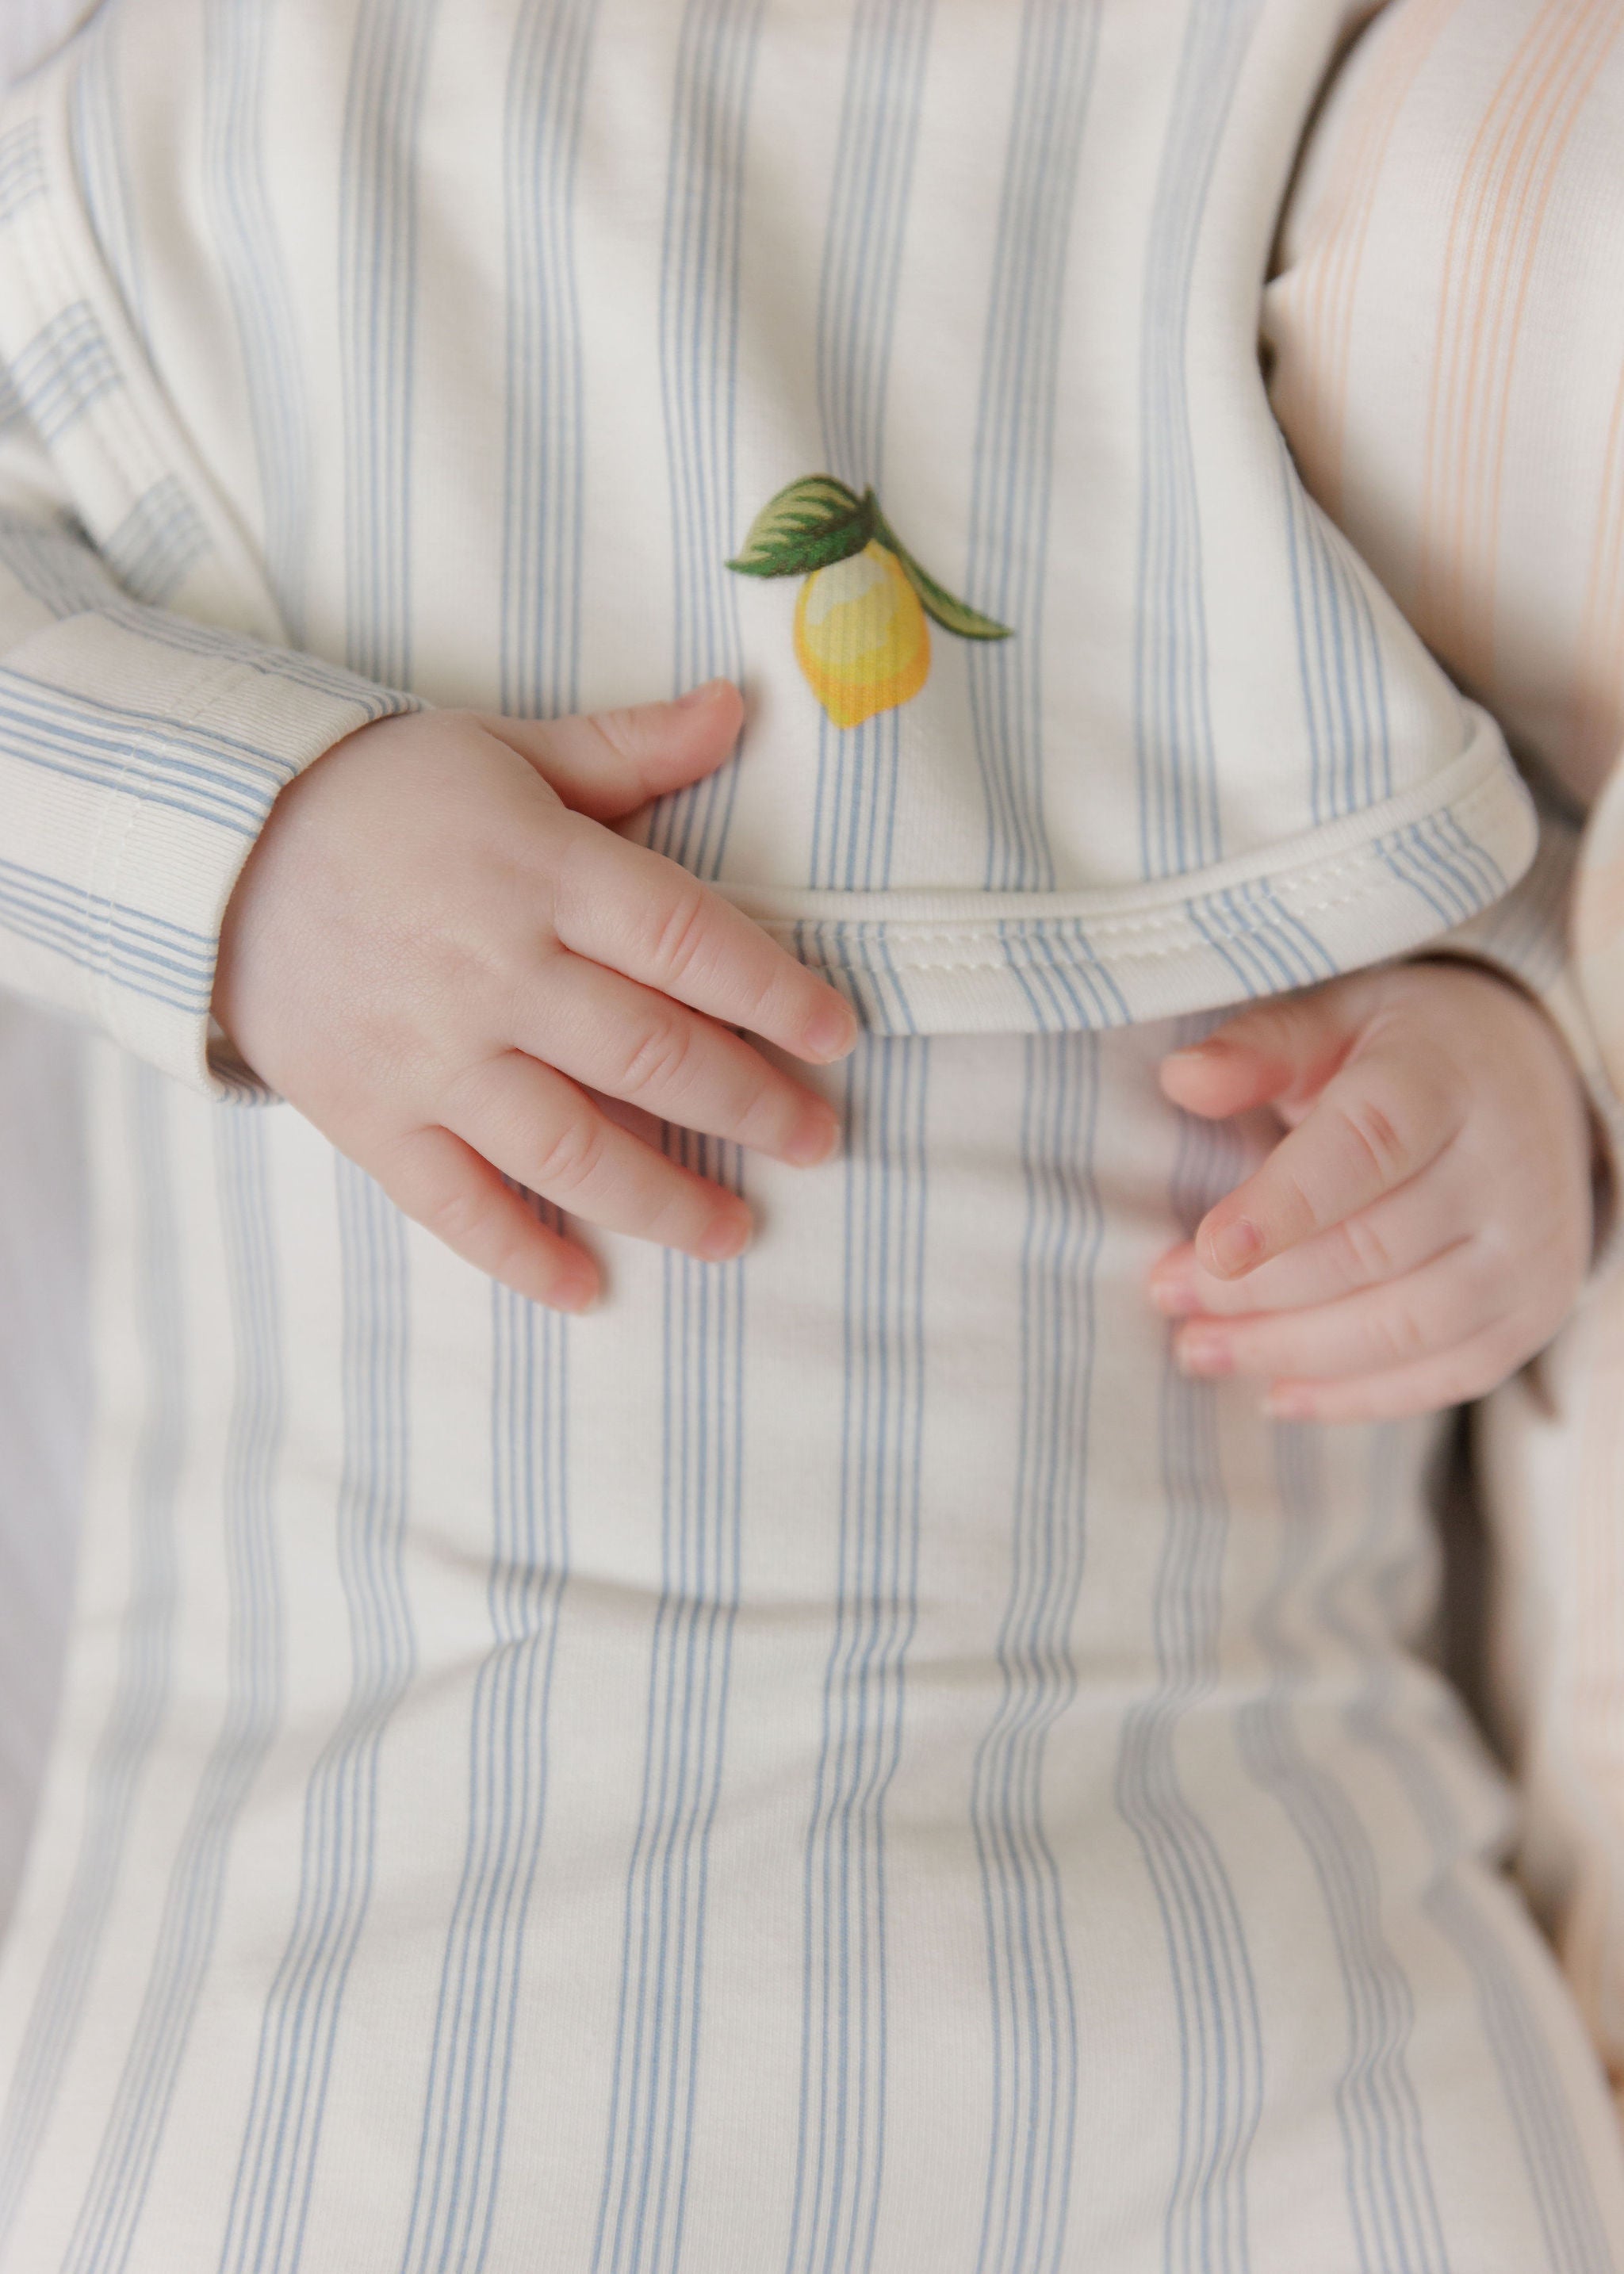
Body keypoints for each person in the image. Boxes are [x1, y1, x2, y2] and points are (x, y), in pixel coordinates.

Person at [0, 2, 1621, 2267]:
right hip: (384, 1878)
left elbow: (1480, 639)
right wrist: (251, 857)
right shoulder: (163, 98)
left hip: (1229, 1824)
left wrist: (1511, 1051)